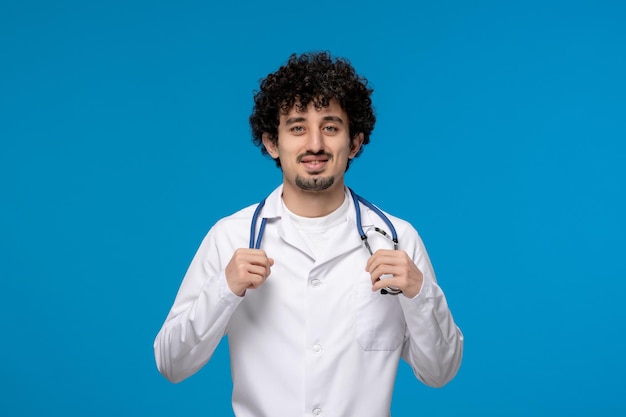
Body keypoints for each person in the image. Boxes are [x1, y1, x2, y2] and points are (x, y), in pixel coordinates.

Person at [154, 51, 463, 417]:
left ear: (354, 143)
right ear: (272, 142)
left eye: (330, 127)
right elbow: (172, 364)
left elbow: (440, 372)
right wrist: (223, 289)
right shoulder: (231, 237)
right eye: (297, 127)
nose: (314, 144)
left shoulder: (397, 239)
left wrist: (419, 292)